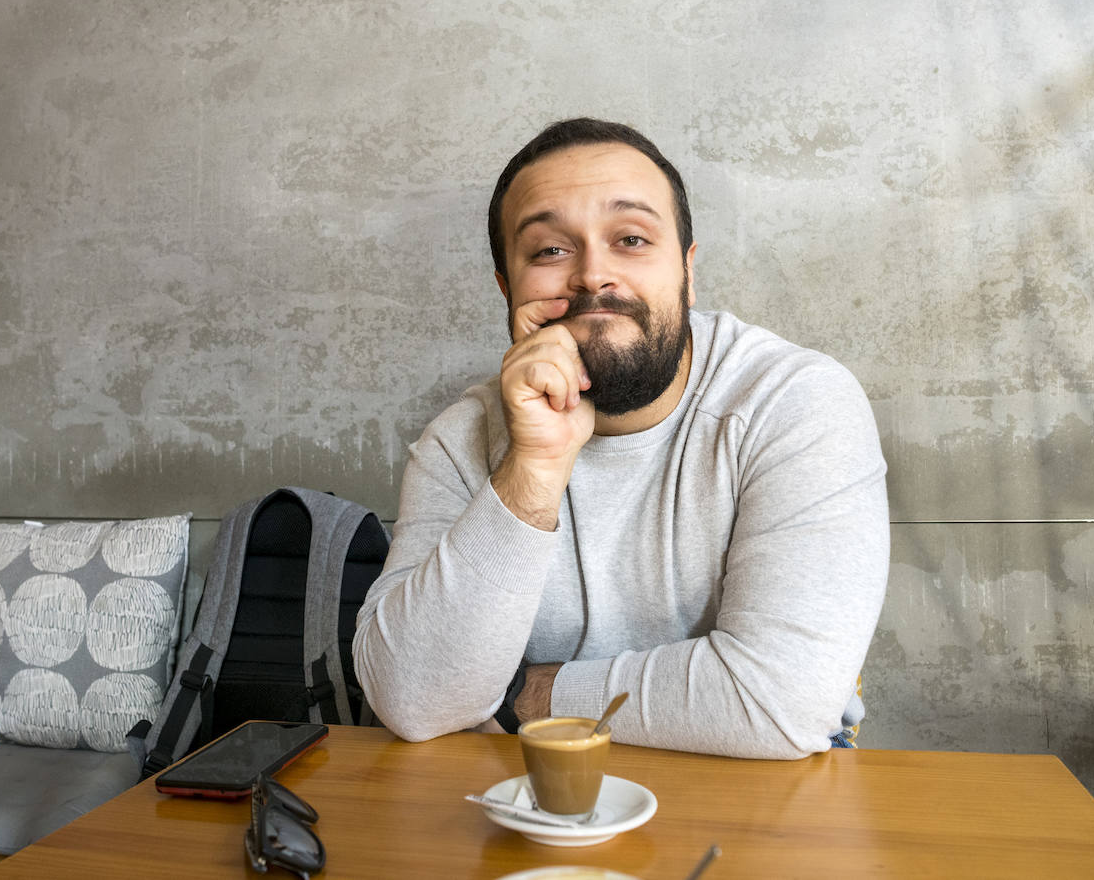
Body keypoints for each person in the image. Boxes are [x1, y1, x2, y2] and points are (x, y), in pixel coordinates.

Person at [352, 118, 889, 758]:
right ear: (506, 286)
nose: (593, 275)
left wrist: (521, 695)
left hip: (757, 788)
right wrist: (535, 467)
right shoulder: (459, 441)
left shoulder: (793, 402)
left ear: (687, 270)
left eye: (631, 239)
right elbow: (412, 698)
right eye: (550, 250)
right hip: (532, 794)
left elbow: (778, 702)